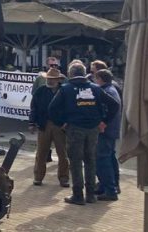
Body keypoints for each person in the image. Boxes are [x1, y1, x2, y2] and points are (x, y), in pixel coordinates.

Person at [49, 62, 120, 206]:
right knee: (90, 161)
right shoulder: (95, 89)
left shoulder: (66, 89)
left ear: (70, 74)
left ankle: (78, 195)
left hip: (75, 128)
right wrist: (104, 121)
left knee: (75, 162)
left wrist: (61, 122)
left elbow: (51, 109)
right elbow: (114, 105)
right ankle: (90, 195)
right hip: (93, 129)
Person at [29, 67, 69, 186]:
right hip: (43, 124)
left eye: (52, 79)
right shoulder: (40, 91)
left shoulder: (64, 91)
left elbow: (69, 108)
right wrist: (32, 123)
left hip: (59, 125)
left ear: (58, 80)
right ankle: (38, 177)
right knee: (41, 153)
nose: (50, 81)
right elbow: (33, 108)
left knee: (62, 153)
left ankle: (63, 178)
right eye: (49, 79)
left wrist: (67, 122)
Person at [95, 69, 122, 200]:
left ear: (100, 79)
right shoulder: (113, 89)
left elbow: (112, 107)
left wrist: (103, 122)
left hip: (106, 131)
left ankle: (110, 190)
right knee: (110, 157)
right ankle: (109, 186)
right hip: (112, 130)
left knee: (102, 159)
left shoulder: (106, 92)